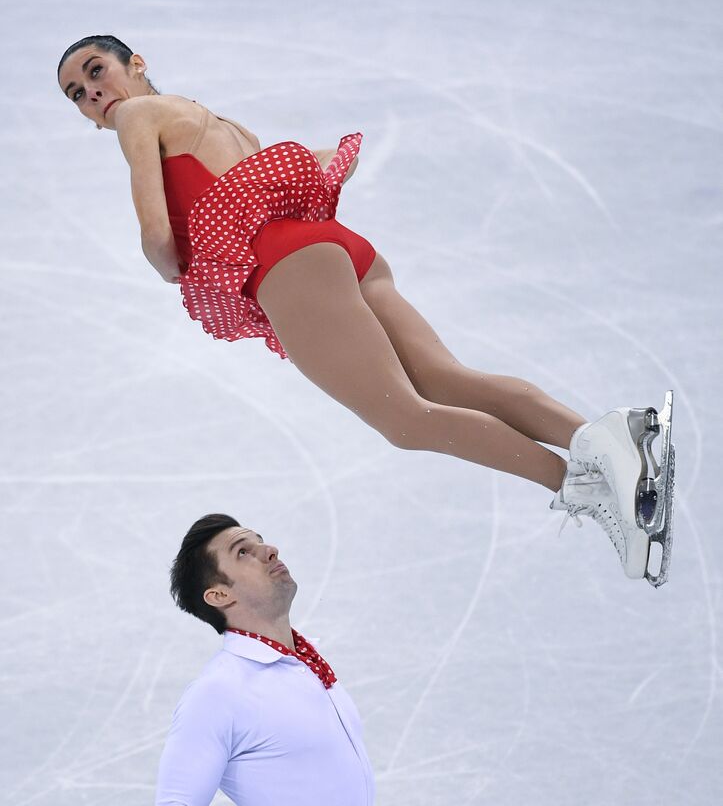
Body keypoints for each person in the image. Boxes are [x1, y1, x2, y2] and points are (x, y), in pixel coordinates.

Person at [56, 35, 674, 584]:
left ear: (135, 64)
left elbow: (156, 235)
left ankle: (589, 487)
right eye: (77, 94)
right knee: (449, 382)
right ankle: (609, 444)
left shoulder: (139, 115)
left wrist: (177, 275)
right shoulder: (219, 121)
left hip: (288, 266)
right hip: (338, 252)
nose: (92, 93)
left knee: (405, 420)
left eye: (96, 70)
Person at [154, 513, 489, 806]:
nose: (269, 550)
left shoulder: (305, 671)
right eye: (243, 552)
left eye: (261, 541)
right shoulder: (219, 693)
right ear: (219, 595)